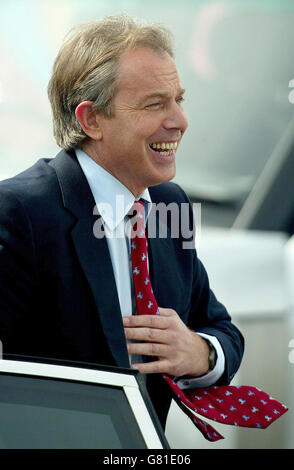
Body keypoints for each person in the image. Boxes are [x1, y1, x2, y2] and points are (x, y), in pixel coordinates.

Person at [0, 15, 244, 428]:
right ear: (91, 119)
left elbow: (220, 328)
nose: (179, 121)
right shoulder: (20, 212)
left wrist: (198, 352)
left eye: (178, 99)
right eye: (154, 104)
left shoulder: (169, 204)